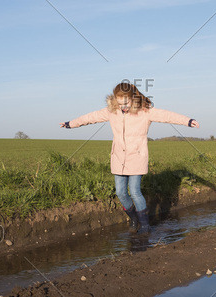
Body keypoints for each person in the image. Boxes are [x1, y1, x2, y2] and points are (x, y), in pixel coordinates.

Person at [61, 82, 199, 234]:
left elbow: (167, 115)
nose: (123, 106)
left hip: (137, 157)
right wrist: (70, 124)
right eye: (119, 103)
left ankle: (145, 225)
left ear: (133, 98)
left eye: (125, 102)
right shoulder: (111, 111)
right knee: (120, 192)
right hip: (118, 157)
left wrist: (187, 121)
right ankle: (133, 218)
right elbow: (90, 117)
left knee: (134, 191)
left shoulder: (145, 111)